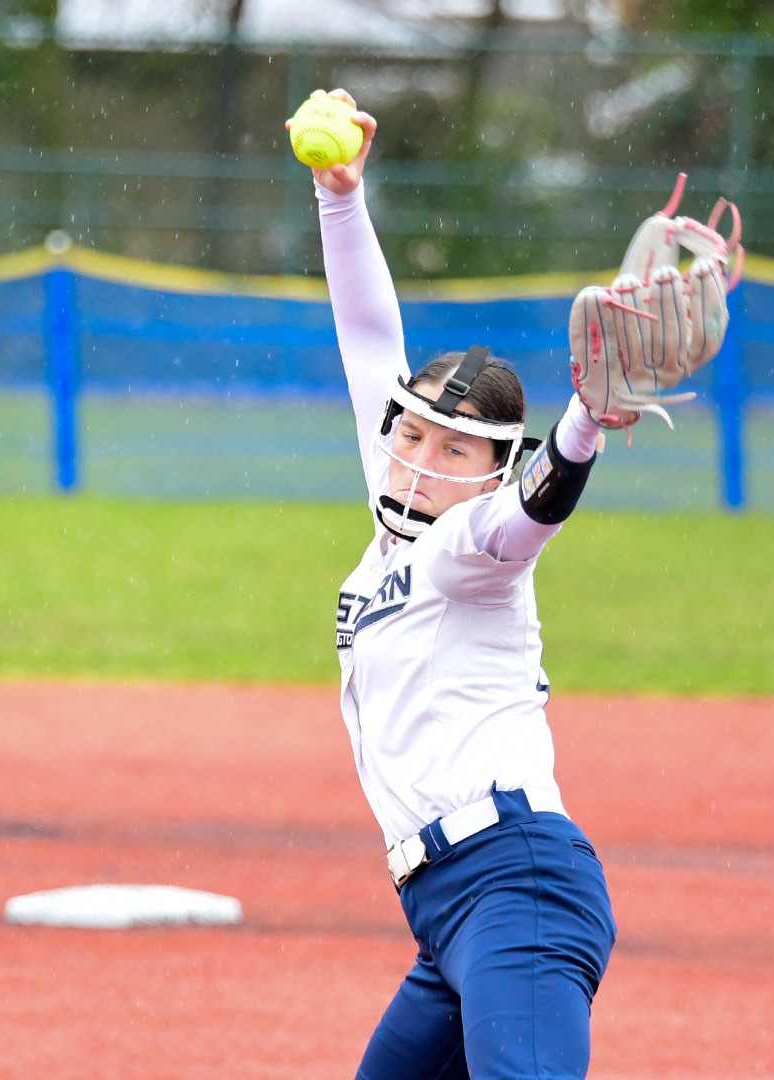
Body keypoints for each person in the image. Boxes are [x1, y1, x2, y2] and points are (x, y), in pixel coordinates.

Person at [298, 89, 617, 1080]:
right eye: (413, 434)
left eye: (454, 448)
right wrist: (342, 197)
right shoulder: (393, 518)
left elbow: (535, 510)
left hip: (514, 890)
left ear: (489, 467)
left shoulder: (467, 546)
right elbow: (365, 337)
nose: (421, 460)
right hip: (451, 915)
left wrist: (585, 425)